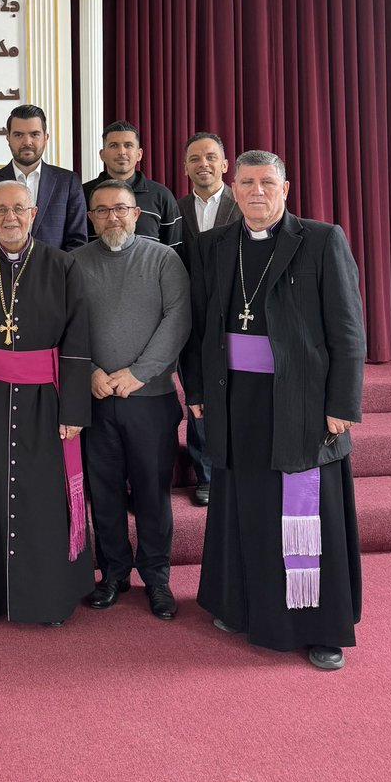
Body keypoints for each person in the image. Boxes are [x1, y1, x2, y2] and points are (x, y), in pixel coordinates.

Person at [182, 150, 365, 670]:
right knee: (246, 506)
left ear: (286, 188)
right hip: (234, 398)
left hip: (303, 404)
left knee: (307, 514)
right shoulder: (216, 244)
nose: (257, 191)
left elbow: (349, 331)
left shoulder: (322, 239)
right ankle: (241, 605)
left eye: (267, 182)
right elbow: (199, 328)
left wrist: (342, 403)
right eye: (246, 183)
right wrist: (195, 391)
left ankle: (321, 627)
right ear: (231, 189)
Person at [0, 180, 93, 625]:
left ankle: (47, 597)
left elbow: (77, 342)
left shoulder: (62, 265)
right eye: (0, 210)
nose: (10, 217)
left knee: (42, 499)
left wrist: (75, 411)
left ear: (34, 212)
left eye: (18, 209)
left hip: (47, 399)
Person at [73, 180, 190, 620]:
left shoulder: (164, 259)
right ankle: (114, 575)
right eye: (102, 211)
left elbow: (178, 320)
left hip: (150, 398)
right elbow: (64, 329)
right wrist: (89, 373)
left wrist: (139, 374)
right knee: (102, 494)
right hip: (96, 399)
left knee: (152, 495)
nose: (112, 217)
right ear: (90, 218)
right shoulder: (74, 263)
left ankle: (157, 578)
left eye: (120, 209)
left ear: (137, 213)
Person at [178, 131, 241, 506]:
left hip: (235, 314)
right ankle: (204, 473)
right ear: (186, 167)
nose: (203, 164)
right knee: (197, 394)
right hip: (190, 316)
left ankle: (233, 467)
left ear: (224, 164)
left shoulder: (242, 203)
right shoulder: (176, 208)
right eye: (195, 158)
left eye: (210, 157)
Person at [0, 104, 87, 251]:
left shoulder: (68, 182)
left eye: (34, 134)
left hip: (56, 272)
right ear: (8, 138)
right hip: (2, 273)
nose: (27, 142)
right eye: (18, 135)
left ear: (45, 137)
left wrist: (59, 272)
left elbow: (77, 242)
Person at [81, 121, 182, 248]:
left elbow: (174, 250)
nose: (122, 152)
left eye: (128, 145)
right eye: (113, 145)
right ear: (102, 155)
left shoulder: (161, 196)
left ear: (139, 154)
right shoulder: (82, 194)